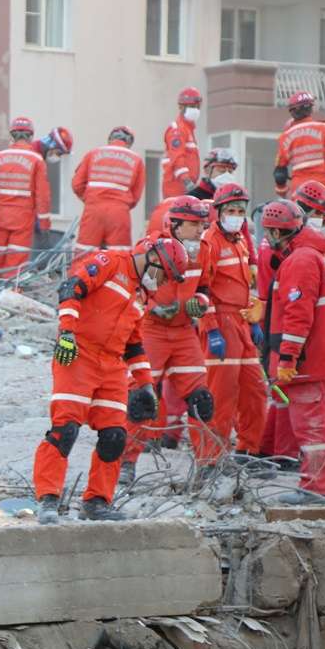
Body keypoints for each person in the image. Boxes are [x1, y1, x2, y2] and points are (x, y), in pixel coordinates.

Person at [33, 233, 159, 524]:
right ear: (152, 259)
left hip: (112, 365)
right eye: (164, 275)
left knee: (115, 436)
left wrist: (146, 385)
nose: (163, 283)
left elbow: (134, 344)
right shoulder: (111, 262)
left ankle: (97, 502)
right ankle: (48, 500)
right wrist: (67, 332)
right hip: (80, 353)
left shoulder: (141, 295)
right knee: (65, 429)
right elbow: (72, 288)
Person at [259, 199, 325, 502]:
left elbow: (297, 316)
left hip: (307, 359)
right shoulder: (315, 254)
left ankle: (314, 487)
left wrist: (287, 358)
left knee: (309, 426)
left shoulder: (300, 260)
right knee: (319, 422)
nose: (267, 239)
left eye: (269, 232)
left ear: (277, 232)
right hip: (322, 354)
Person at [119, 197, 215, 482]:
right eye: (195, 225)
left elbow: (206, 287)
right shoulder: (148, 248)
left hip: (184, 331)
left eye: (203, 224)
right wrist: (151, 307)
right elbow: (129, 285)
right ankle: (126, 463)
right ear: (174, 224)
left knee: (201, 400)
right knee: (141, 398)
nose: (201, 230)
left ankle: (207, 465)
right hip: (151, 331)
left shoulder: (204, 250)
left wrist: (200, 302)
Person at [196, 182, 269, 468]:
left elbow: (241, 285)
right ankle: (212, 459)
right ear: (219, 211)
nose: (237, 216)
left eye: (240, 211)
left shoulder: (239, 241)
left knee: (255, 391)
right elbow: (202, 289)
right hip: (221, 325)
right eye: (231, 211)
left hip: (240, 322)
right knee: (221, 395)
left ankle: (248, 450)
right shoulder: (210, 242)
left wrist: (252, 319)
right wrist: (211, 329)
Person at [0, 124, 52, 277]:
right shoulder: (36, 159)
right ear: (30, 136)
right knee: (15, 260)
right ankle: (10, 289)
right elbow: (43, 196)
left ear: (12, 136)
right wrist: (44, 224)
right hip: (23, 218)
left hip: (1, 216)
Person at [72, 127, 145, 256]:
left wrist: (90, 199)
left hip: (93, 210)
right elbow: (136, 195)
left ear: (110, 139)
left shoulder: (93, 154)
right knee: (119, 257)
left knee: (85, 255)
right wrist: (121, 204)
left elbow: (77, 184)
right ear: (129, 143)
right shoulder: (137, 160)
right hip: (119, 213)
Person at [275, 91, 325, 199]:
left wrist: (282, 192)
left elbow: (280, 174)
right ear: (311, 108)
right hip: (324, 187)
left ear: (292, 111)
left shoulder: (284, 137)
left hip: (299, 190)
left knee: (299, 210)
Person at [161, 87, 203, 198]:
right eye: (192, 106)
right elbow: (177, 158)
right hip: (176, 187)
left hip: (184, 188)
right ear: (181, 107)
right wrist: (187, 181)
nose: (195, 110)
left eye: (197, 107)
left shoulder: (188, 130)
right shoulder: (178, 130)